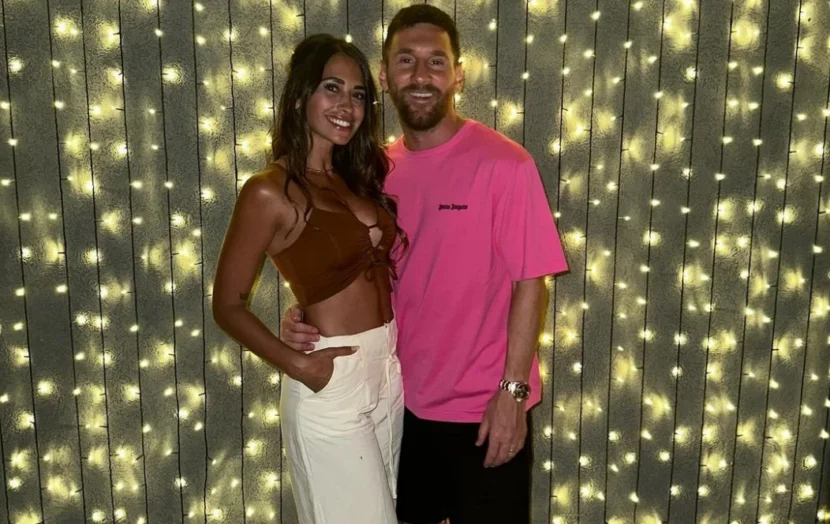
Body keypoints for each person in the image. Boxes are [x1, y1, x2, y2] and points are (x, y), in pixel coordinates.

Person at [280, 5, 570, 524]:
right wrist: (306, 314)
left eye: (436, 62)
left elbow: (532, 282)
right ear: (385, 75)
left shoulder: (506, 164)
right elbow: (358, 273)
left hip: (485, 413)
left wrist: (512, 392)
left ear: (458, 74)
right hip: (396, 407)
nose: (420, 75)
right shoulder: (372, 173)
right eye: (406, 61)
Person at [211, 33, 407, 524]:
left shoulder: (354, 177)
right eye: (331, 88)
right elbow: (227, 304)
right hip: (332, 383)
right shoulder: (268, 191)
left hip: (388, 372)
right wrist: (300, 366)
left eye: (358, 94)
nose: (347, 106)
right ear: (301, 97)